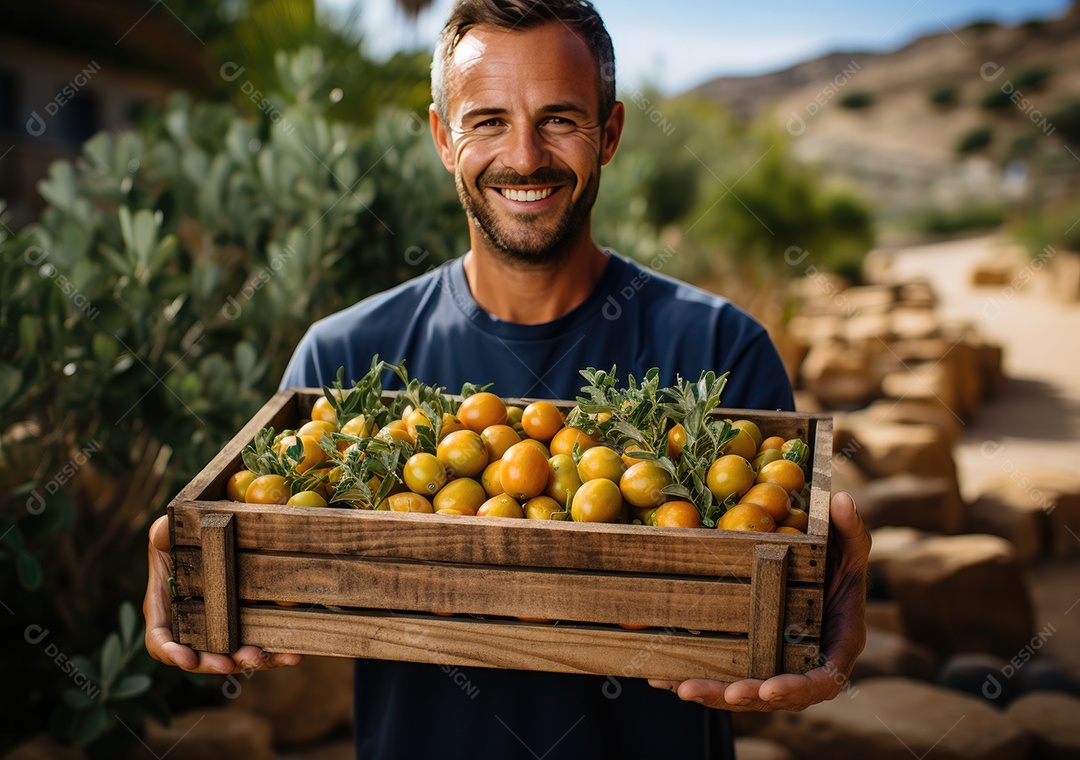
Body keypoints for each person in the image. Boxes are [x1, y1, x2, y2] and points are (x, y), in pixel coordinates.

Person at [144, 1, 872, 757]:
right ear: (441, 137)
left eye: (560, 118)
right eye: (488, 120)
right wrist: (199, 570)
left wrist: (829, 610)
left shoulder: (723, 348)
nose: (525, 156)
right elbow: (276, 576)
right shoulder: (343, 360)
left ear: (610, 134)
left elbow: (780, 598)